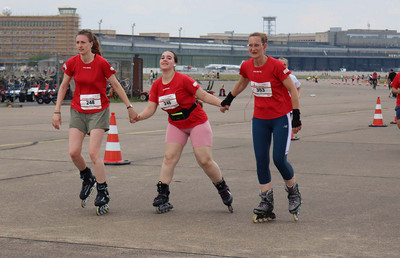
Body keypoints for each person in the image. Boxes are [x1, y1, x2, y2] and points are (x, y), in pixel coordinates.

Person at [133, 50, 233, 213]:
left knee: (204, 160)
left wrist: (221, 103)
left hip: (196, 122)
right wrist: (138, 117)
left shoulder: (183, 80)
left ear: (175, 63)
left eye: (169, 58)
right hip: (176, 124)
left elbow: (203, 95)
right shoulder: (157, 85)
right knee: (169, 158)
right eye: (162, 58)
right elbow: (150, 108)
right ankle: (162, 194)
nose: (165, 60)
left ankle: (222, 187)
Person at [52, 29, 138, 216]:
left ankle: (102, 189)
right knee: (73, 152)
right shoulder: (72, 63)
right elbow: (64, 86)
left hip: (98, 111)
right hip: (78, 110)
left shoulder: (101, 63)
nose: (79, 46)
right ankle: (87, 177)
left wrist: (129, 107)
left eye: (83, 42)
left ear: (91, 44)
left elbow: (115, 84)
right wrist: (57, 111)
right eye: (77, 43)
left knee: (93, 153)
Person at [220, 32, 302, 222]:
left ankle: (293, 192)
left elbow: (293, 89)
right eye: (250, 45)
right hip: (260, 119)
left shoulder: (276, 66)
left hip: (280, 118)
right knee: (261, 160)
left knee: (279, 159)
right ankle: (266, 200)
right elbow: (242, 82)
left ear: (265, 47)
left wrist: (296, 116)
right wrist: (229, 99)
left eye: (257, 45)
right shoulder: (246, 66)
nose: (253, 49)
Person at [279, 57, 301, 141]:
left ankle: (289, 135)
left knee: (288, 119)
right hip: (277, 102)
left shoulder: (291, 77)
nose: (282, 66)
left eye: (284, 64)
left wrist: (296, 97)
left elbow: (298, 87)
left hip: (288, 103)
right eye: (280, 64)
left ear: (287, 65)